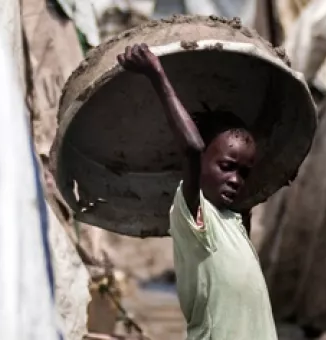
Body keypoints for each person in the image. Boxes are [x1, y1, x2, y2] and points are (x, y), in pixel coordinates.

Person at [117, 43, 278, 340]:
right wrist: (156, 74)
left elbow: (262, 144)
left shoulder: (235, 220)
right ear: (201, 161)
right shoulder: (194, 215)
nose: (235, 179)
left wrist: (274, 87)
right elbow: (191, 148)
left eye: (243, 173)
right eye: (227, 166)